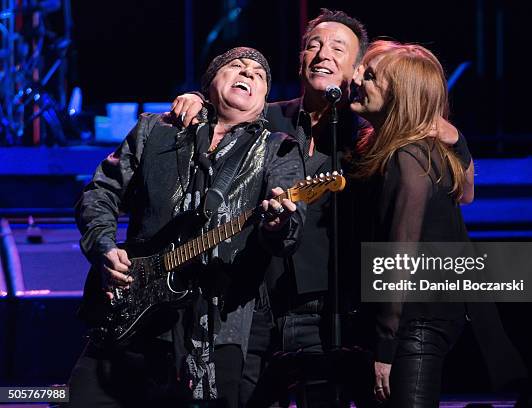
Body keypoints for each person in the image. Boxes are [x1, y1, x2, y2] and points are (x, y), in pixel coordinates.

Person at [170, 10, 467, 407]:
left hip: (336, 315)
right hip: (261, 310)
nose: (322, 54)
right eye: (313, 44)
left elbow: (458, 189)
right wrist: (196, 100)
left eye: (337, 48)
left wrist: (453, 134)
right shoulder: (265, 118)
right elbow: (221, 112)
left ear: (358, 69)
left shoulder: (372, 135)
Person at [66, 47, 305, 408]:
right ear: (209, 83)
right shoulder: (154, 129)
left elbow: (290, 232)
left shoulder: (277, 149)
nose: (248, 73)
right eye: (236, 66)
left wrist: (277, 223)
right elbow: (100, 192)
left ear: (263, 102)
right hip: (130, 309)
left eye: (259, 74)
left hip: (216, 326)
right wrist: (104, 246)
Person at [349, 40, 474, 407]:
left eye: (371, 77)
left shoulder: (409, 158)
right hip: (410, 319)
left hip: (413, 321)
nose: (359, 80)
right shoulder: (399, 149)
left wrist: (385, 347)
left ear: (398, 97)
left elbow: (398, 256)